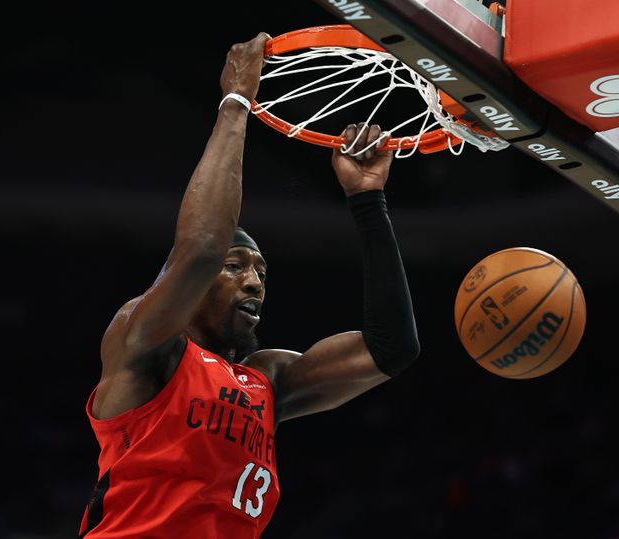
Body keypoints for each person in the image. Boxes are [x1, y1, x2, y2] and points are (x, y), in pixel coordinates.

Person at [79, 31, 420, 538]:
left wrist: (368, 201)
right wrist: (236, 103)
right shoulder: (145, 343)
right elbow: (199, 250)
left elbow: (391, 350)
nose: (255, 280)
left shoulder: (269, 382)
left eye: (262, 271)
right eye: (237, 265)